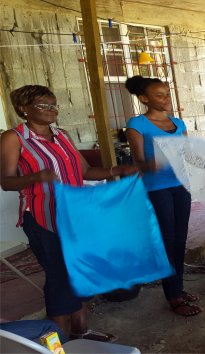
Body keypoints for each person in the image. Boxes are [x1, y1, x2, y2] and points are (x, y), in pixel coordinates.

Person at [1, 85, 137, 341]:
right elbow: (6, 182)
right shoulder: (14, 138)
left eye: (54, 105)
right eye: (43, 105)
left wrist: (117, 170)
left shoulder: (62, 135)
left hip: (76, 214)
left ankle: (80, 330)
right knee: (59, 275)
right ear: (23, 108)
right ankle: (55, 338)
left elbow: (84, 172)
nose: (52, 110)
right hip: (43, 216)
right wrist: (37, 177)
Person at [124, 75, 200, 317]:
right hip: (157, 189)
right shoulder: (137, 124)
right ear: (144, 99)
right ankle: (174, 296)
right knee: (167, 242)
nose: (166, 98)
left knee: (180, 240)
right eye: (159, 95)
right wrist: (162, 160)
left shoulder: (178, 123)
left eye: (167, 93)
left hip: (181, 186)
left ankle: (177, 287)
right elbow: (141, 162)